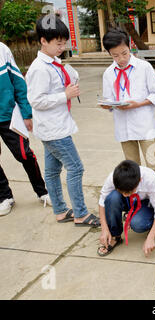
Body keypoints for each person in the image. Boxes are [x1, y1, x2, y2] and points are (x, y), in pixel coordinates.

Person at [25, 16, 100, 227]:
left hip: (54, 127)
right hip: (54, 129)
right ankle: (81, 213)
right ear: (43, 41)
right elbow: (36, 101)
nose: (62, 46)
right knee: (75, 168)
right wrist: (64, 95)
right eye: (58, 43)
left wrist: (68, 83)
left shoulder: (53, 63)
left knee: (52, 171)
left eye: (63, 42)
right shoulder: (40, 68)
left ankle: (59, 210)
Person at [101, 29, 155, 202]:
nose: (121, 59)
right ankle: (140, 206)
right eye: (116, 56)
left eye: (124, 53)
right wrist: (108, 104)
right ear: (109, 53)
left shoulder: (144, 67)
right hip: (124, 127)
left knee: (154, 167)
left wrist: (139, 104)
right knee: (132, 171)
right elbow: (108, 98)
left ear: (129, 46)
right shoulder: (108, 73)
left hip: (144, 125)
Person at [0, 42, 50, 216]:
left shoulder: (2, 50)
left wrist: (26, 112)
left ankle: (42, 191)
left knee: (24, 154)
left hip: (8, 115)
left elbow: (18, 82)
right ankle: (4, 197)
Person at [97, 160, 155, 257]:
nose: (125, 195)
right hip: (129, 202)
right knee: (112, 198)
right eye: (122, 192)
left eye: (128, 192)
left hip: (145, 203)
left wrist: (151, 237)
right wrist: (104, 229)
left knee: (138, 224)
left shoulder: (150, 178)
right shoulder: (113, 177)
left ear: (139, 181)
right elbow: (102, 202)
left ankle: (154, 226)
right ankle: (115, 235)